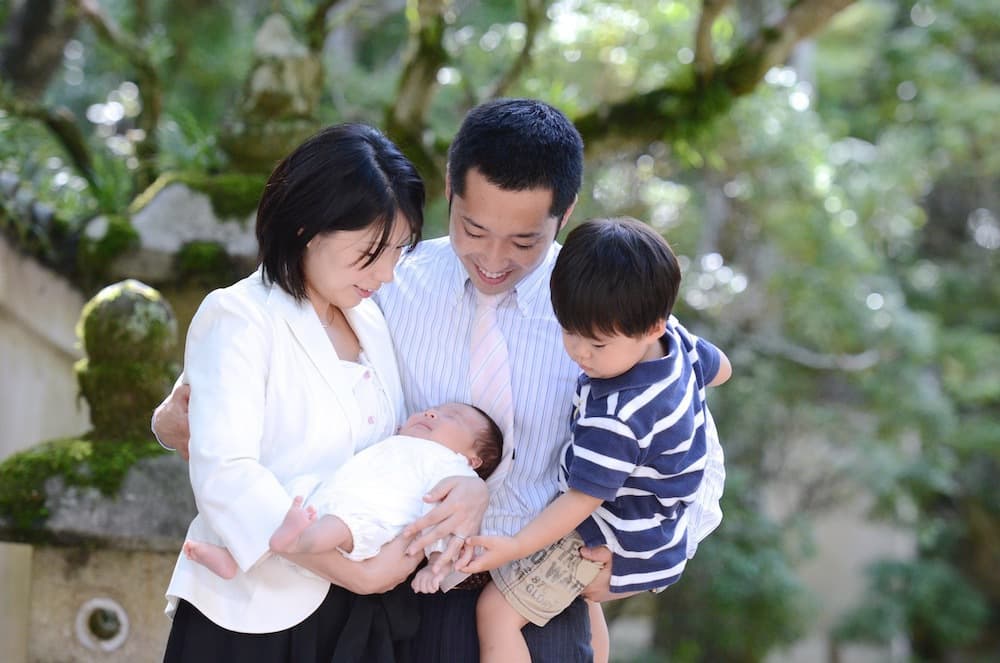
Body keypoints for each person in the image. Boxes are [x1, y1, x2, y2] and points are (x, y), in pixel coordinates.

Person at [154, 98, 727, 662]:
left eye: (524, 241)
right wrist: (172, 422)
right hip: (393, 604)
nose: (494, 259)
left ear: (566, 213)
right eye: (473, 228)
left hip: (527, 606)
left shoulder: (604, 311)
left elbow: (691, 458)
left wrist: (636, 569)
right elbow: (239, 388)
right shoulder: (387, 284)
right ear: (450, 190)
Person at [160, 122, 443, 663]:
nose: (386, 273)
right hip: (252, 617)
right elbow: (228, 475)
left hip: (357, 622)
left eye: (398, 250)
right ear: (309, 227)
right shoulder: (240, 316)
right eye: (370, 251)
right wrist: (358, 574)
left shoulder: (371, 321)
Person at [457, 217, 733, 662]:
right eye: (570, 332)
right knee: (580, 606)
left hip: (610, 528)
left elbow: (581, 501)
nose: (580, 354)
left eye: (598, 344)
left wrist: (515, 546)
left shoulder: (617, 413)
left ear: (652, 327)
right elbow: (722, 370)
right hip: (654, 523)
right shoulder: (679, 344)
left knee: (497, 612)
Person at [182, 402, 502, 588]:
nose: (433, 414)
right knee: (289, 494)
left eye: (453, 417)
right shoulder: (396, 439)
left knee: (336, 523)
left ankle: (292, 543)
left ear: (472, 459)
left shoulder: (453, 468)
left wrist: (435, 569)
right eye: (434, 409)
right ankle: (235, 555)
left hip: (372, 517)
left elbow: (442, 524)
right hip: (331, 492)